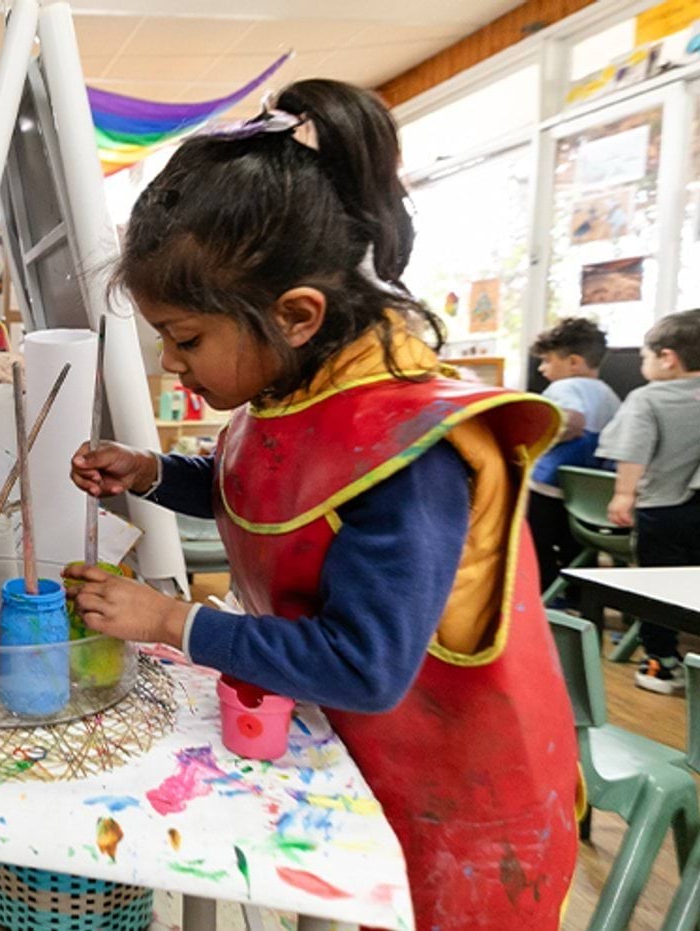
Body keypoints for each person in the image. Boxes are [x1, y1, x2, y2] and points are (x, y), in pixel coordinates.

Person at [65, 80, 576, 929]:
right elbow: (269, 493)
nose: (174, 365)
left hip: (459, 795)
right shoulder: (292, 392)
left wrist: (168, 621)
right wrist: (153, 471)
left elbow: (364, 664)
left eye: (186, 338)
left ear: (296, 315)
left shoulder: (412, 447)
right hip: (357, 762)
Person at [597, 309, 700, 695]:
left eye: (644, 357)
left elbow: (633, 450)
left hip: (664, 510)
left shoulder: (648, 398)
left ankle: (661, 663)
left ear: (668, 358)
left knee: (657, 590)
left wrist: (624, 494)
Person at [525, 317, 622, 593]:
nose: (542, 369)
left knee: (535, 542)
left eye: (546, 360)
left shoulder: (563, 387)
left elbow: (572, 422)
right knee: (575, 546)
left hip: (550, 485)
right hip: (589, 496)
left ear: (574, 363)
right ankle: (579, 598)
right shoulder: (610, 395)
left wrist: (536, 437)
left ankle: (545, 595)